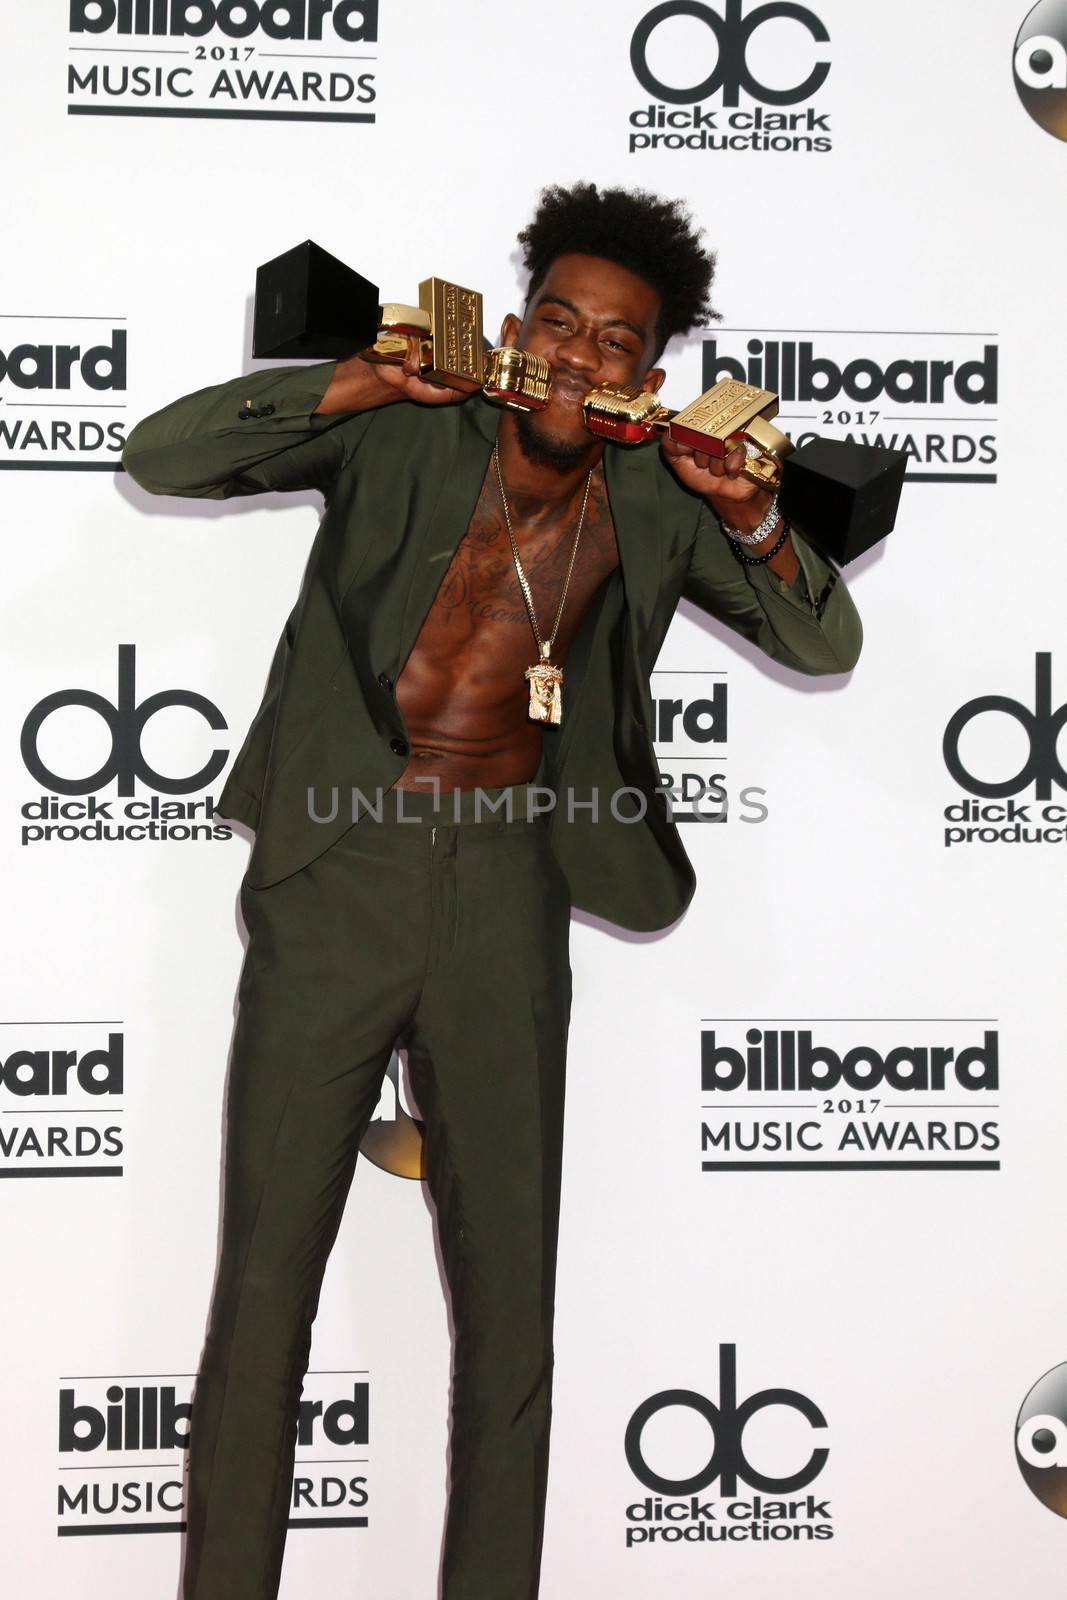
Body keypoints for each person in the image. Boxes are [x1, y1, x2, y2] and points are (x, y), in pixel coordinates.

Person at [123, 181, 861, 1600]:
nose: (579, 357)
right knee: (262, 1301)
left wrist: (759, 520)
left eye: (616, 342)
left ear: (653, 376)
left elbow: (825, 639)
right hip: (342, 870)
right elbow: (162, 452)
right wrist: (343, 383)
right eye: (560, 322)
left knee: (510, 1334)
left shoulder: (658, 489)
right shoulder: (407, 421)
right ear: (515, 324)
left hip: (513, 888)